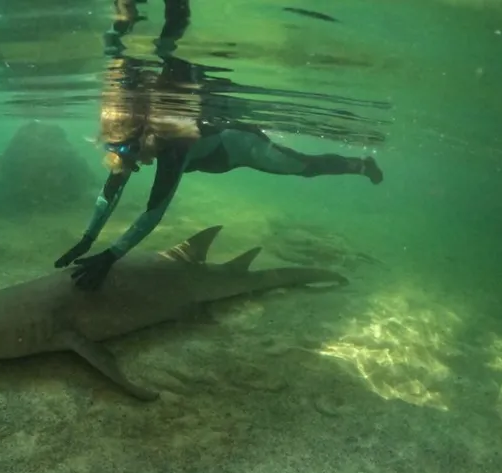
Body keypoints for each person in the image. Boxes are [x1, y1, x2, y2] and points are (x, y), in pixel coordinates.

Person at [54, 2, 385, 291]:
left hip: (239, 146)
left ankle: (360, 165)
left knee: (303, 168)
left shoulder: (173, 143)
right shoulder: (131, 142)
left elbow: (153, 211)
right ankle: (131, 11)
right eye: (117, 148)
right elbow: (110, 192)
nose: (124, 157)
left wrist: (112, 256)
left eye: (127, 148)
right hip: (209, 154)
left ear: (146, 133)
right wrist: (86, 240)